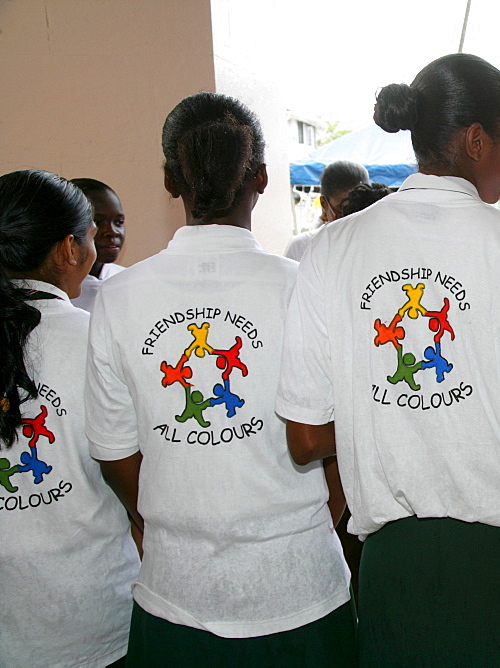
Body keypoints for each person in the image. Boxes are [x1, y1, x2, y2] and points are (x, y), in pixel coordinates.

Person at [275, 53, 500, 666]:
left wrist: (404, 427)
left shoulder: (330, 251)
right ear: (478, 141)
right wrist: (474, 426)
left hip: (397, 576)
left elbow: (304, 436)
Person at [84, 92, 356, 666]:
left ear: (168, 180)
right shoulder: (303, 286)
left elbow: (115, 455)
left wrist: (170, 519)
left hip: (176, 596)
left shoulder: (119, 296)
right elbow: (338, 439)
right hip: (301, 592)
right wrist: (307, 526)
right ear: (260, 178)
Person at [0, 169, 140, 667]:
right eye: (89, 234)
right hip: (91, 620)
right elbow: (135, 476)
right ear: (68, 250)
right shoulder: (93, 338)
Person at [284, 160, 370, 261]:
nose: (350, 218)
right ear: (324, 204)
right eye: (342, 211)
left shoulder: (378, 242)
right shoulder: (301, 247)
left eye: (359, 209)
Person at [69, 177, 127, 312]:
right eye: (98, 222)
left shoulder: (129, 281)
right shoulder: (58, 287)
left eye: (118, 222)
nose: (112, 232)